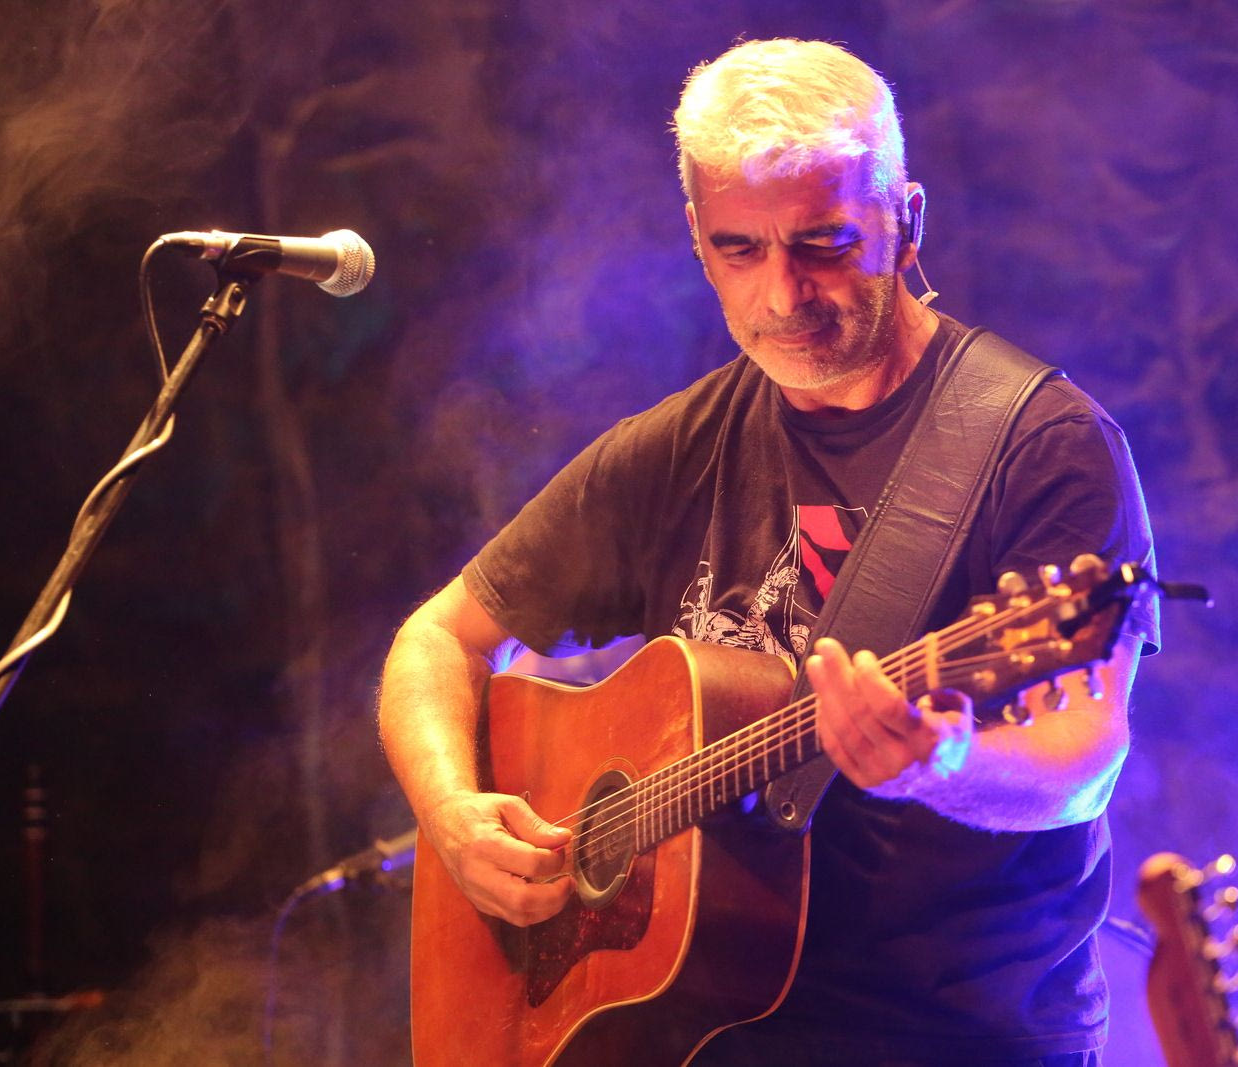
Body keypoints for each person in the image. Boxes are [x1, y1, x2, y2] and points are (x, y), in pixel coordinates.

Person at [379, 38, 1157, 1066]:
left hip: (952, 1035)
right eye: (741, 249)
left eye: (825, 243)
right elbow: (437, 639)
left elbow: (1085, 761)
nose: (784, 295)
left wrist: (941, 764)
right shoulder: (676, 447)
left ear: (907, 220)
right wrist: (450, 814)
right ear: (698, 242)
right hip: (698, 1033)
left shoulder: (1041, 444)